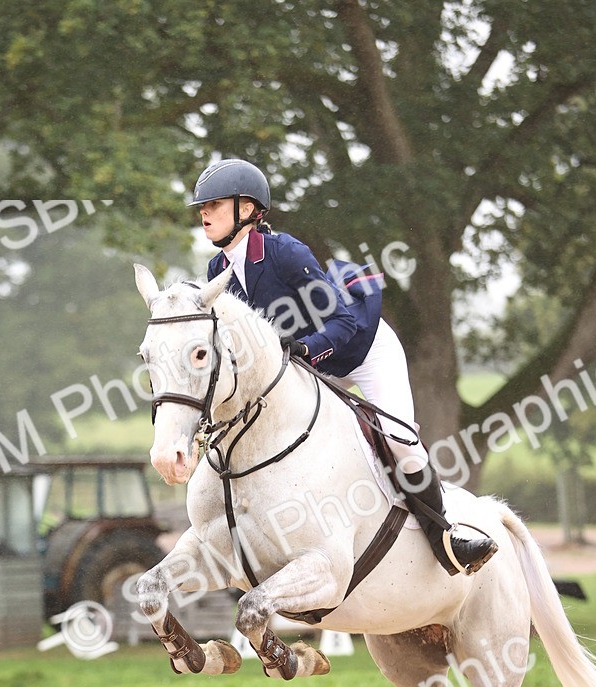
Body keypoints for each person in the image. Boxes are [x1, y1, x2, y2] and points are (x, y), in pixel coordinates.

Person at [189, 157, 498, 577]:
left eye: (214, 205)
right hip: (311, 364)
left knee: (400, 440)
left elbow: (344, 321)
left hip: (362, 351)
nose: (204, 213)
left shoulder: (284, 253)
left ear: (247, 209)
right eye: (202, 207)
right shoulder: (217, 271)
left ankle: (447, 536)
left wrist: (302, 349)